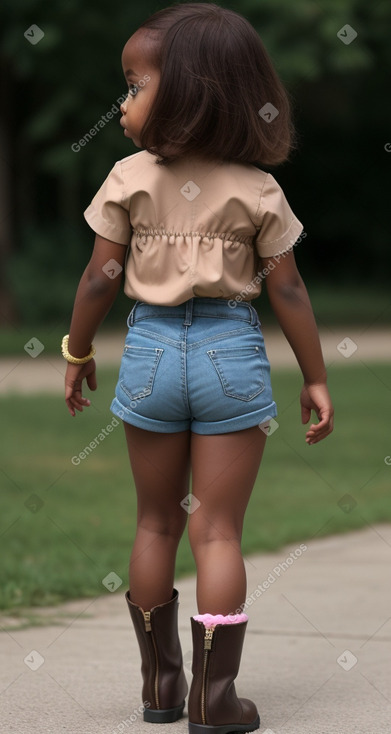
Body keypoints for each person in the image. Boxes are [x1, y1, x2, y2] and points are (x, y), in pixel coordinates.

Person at [62, 3, 334, 733]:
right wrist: (313, 375)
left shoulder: (126, 178)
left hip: (150, 353)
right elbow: (286, 289)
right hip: (229, 355)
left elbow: (97, 280)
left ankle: (158, 685)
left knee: (155, 524)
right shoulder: (257, 188)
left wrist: (77, 350)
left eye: (135, 85)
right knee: (217, 532)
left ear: (189, 93)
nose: (122, 102)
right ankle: (213, 700)